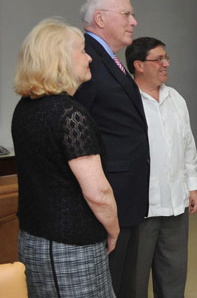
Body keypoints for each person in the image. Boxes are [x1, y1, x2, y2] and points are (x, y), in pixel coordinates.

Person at [12, 18, 119, 297]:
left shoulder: (24, 109)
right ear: (60, 59)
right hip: (70, 246)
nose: (88, 59)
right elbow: (98, 192)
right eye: (82, 51)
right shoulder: (70, 114)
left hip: (34, 238)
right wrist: (114, 228)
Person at [74, 0, 151, 297]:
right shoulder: (86, 58)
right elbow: (79, 127)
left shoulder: (109, 58)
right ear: (100, 18)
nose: (134, 21)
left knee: (124, 281)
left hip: (125, 191)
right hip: (109, 191)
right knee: (111, 282)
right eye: (127, 14)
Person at [125, 37, 197, 298]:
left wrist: (193, 186)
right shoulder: (126, 102)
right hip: (141, 208)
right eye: (158, 59)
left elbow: (187, 145)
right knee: (134, 280)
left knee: (174, 276)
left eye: (166, 58)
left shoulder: (175, 98)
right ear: (138, 65)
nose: (166, 64)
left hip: (176, 206)